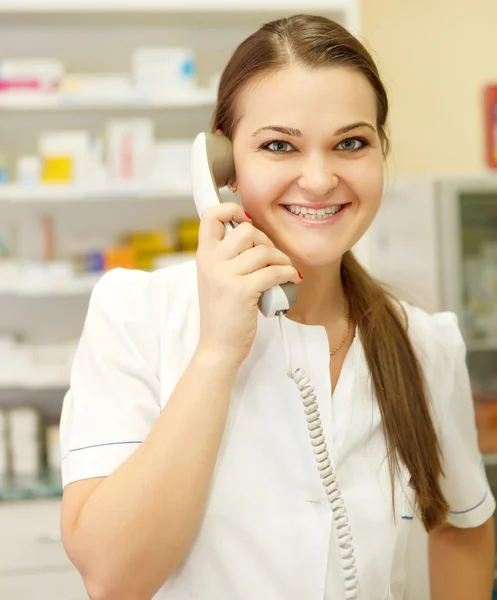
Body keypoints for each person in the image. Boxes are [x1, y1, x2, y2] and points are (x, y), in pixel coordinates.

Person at [59, 14, 495, 600]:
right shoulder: (137, 315)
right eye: (278, 145)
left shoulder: (422, 342)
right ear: (220, 163)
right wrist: (216, 352)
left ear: (380, 150)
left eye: (350, 143)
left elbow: (463, 529)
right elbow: (112, 578)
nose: (318, 179)